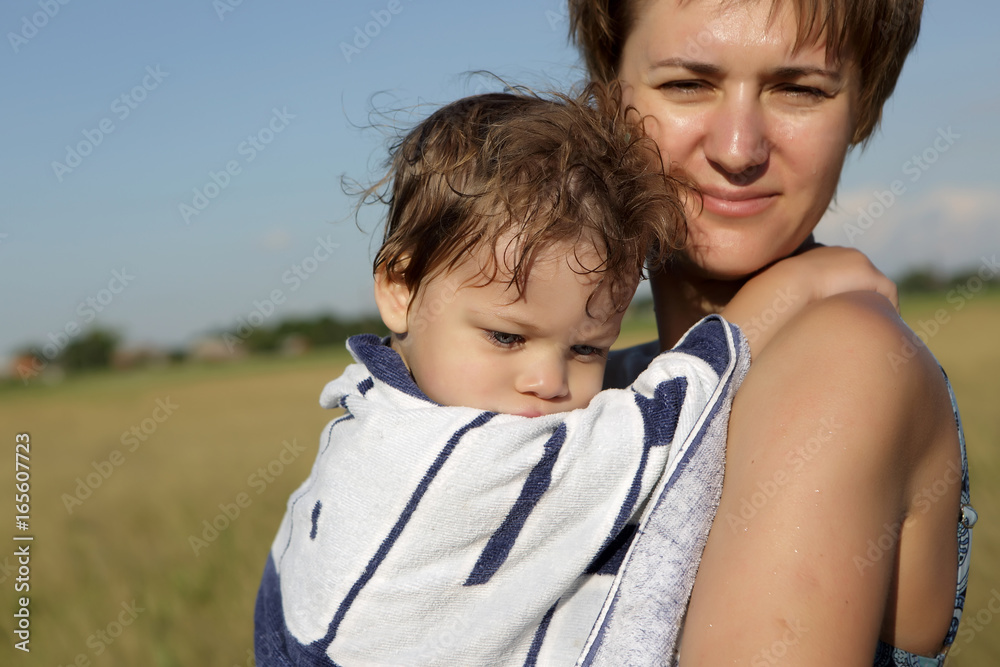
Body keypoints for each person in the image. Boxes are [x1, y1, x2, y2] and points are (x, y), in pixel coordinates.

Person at [253, 85, 895, 665]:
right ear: (400, 288)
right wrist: (794, 288)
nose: (548, 380)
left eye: (586, 348)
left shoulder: (382, 398)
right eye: (506, 337)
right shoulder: (438, 458)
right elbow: (666, 416)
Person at [568, 0, 974, 664]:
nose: (738, 150)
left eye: (799, 90)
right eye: (687, 84)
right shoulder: (593, 387)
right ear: (605, 100)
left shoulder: (846, 358)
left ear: (863, 110)